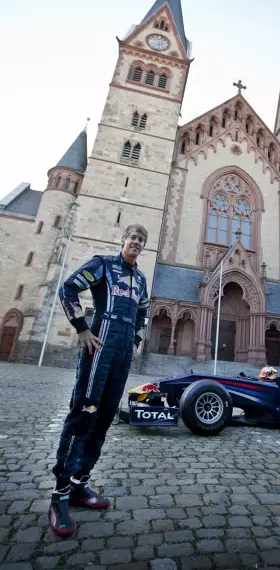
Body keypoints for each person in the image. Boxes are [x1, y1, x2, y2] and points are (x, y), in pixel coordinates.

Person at [49, 224, 149, 537]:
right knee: (84, 415)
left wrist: (134, 341)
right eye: (132, 237)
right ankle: (60, 494)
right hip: (99, 349)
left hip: (121, 357)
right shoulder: (103, 266)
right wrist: (81, 328)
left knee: (104, 417)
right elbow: (69, 288)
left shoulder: (141, 280)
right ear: (123, 240)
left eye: (140, 240)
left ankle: (80, 484)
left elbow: (143, 311)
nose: (135, 242)